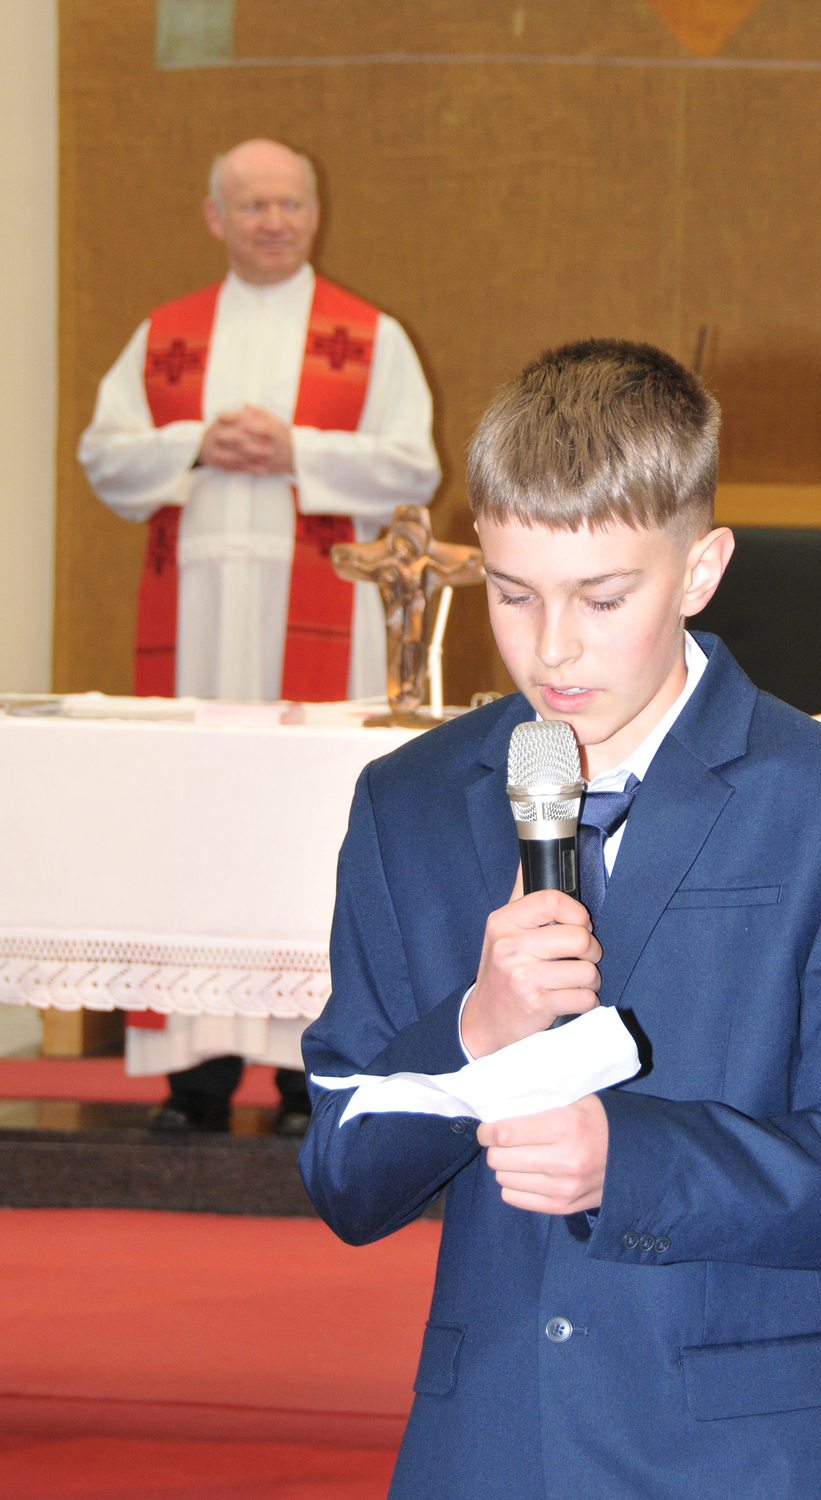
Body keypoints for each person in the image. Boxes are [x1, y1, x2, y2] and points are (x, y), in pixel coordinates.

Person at [300, 340, 821, 1498]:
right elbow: (344, 1177)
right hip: (493, 1446)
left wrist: (630, 1162)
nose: (550, 647)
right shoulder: (410, 802)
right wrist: (474, 1031)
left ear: (700, 569)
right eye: (511, 592)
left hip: (750, 1456)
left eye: (602, 599)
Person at [79, 138, 441, 1135]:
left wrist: (296, 450)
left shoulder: (369, 337)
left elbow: (414, 466)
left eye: (289, 203)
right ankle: (194, 1079)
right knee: (190, 822)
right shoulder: (166, 335)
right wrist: (196, 441)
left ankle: (299, 1077)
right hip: (195, 628)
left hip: (318, 622)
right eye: (252, 205)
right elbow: (104, 456)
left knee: (303, 831)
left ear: (316, 212)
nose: (273, 221)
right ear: (215, 217)